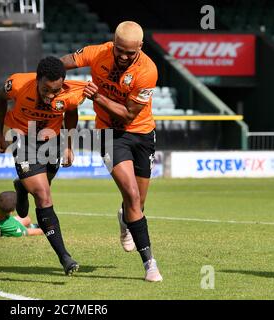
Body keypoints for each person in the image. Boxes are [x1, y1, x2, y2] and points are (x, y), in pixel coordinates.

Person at [60, 21, 163, 282]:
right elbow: (65, 62)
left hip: (141, 133)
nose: (124, 56)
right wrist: (44, 75)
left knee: (138, 201)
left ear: (140, 47)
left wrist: (99, 98)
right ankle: (150, 263)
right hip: (108, 134)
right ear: (113, 44)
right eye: (120, 50)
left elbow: (128, 114)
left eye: (130, 52)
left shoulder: (147, 71)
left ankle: (125, 219)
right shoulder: (98, 53)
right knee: (130, 194)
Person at [0, 56, 96, 275]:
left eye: (55, 91)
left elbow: (71, 112)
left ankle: (22, 186)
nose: (50, 96)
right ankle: (65, 257)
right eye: (45, 90)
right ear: (37, 79)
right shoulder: (18, 84)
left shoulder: (72, 91)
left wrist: (68, 146)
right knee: (43, 195)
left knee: (43, 185)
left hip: (52, 140)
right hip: (21, 136)